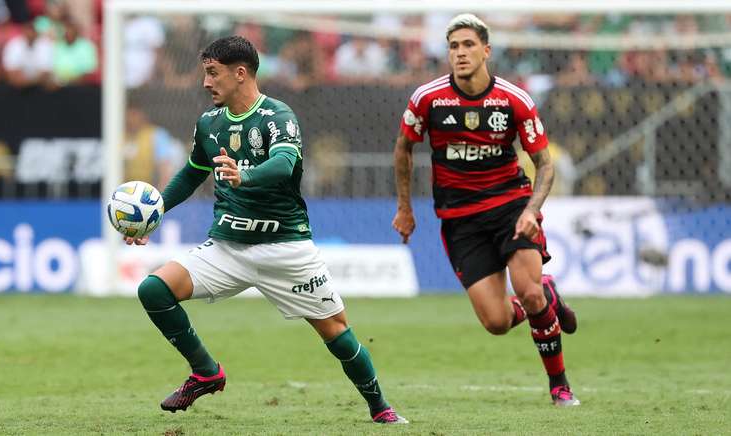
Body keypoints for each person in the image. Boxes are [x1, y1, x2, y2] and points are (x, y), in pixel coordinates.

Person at [124, 36, 407, 424]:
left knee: (337, 333)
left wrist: (246, 175)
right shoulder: (209, 123)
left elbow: (284, 163)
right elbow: (192, 174)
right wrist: (153, 212)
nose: (206, 82)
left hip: (286, 247)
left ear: (240, 73)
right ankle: (206, 372)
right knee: (153, 289)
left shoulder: (278, 116)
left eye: (213, 73)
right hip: (228, 246)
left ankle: (381, 408)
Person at [391, 14, 581, 406]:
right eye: (454, 47)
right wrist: (405, 208)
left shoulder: (514, 99)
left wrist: (531, 209)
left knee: (527, 294)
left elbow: (545, 164)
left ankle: (560, 385)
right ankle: (548, 294)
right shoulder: (427, 98)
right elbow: (403, 148)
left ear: (486, 51)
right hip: (460, 220)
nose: (460, 53)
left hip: (511, 207)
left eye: (468, 45)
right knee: (496, 323)